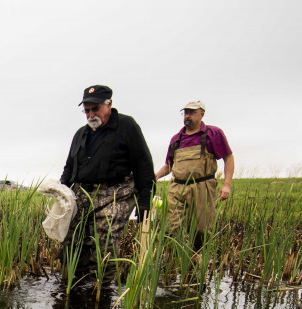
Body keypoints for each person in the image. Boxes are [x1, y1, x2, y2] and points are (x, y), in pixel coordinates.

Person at [59, 84, 155, 273]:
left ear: (109, 104)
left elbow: (144, 166)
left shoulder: (127, 127)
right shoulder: (80, 134)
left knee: (103, 246)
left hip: (115, 194)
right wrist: (62, 190)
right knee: (70, 247)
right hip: (83, 194)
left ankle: (102, 294)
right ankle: (74, 291)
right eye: (87, 111)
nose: (91, 115)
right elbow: (69, 167)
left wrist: (145, 201)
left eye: (96, 109)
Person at [154, 100, 234, 249]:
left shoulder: (213, 133)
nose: (187, 116)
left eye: (192, 112)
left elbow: (228, 157)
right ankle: (173, 262)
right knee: (170, 228)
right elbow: (170, 165)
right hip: (177, 187)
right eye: (186, 113)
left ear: (201, 114)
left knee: (201, 231)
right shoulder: (176, 139)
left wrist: (226, 185)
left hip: (202, 187)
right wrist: (156, 176)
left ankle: (196, 263)